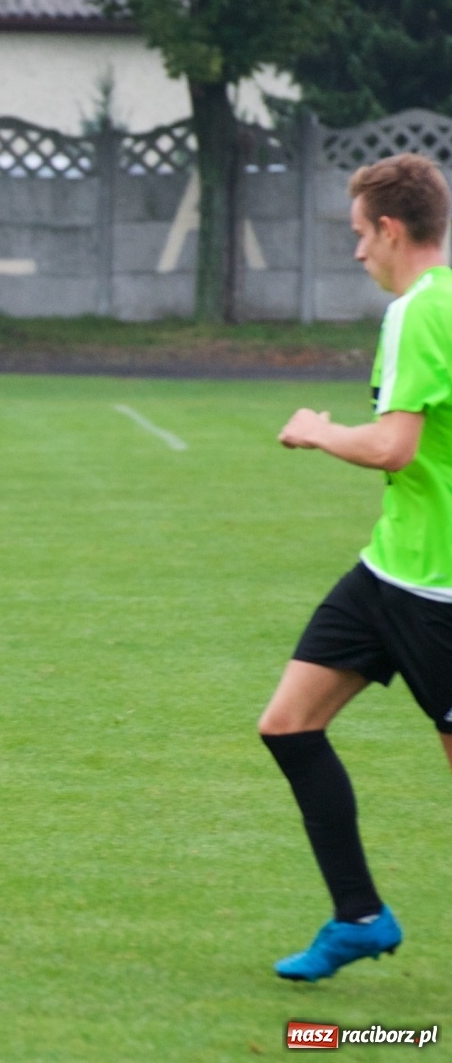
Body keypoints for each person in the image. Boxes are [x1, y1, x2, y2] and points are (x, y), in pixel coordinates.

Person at [263, 153, 452, 980]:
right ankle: (359, 918)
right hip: (388, 572)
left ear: (391, 228)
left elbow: (393, 446)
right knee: (288, 724)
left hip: (439, 591)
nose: (356, 252)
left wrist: (315, 431)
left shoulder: (418, 310)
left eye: (360, 235)